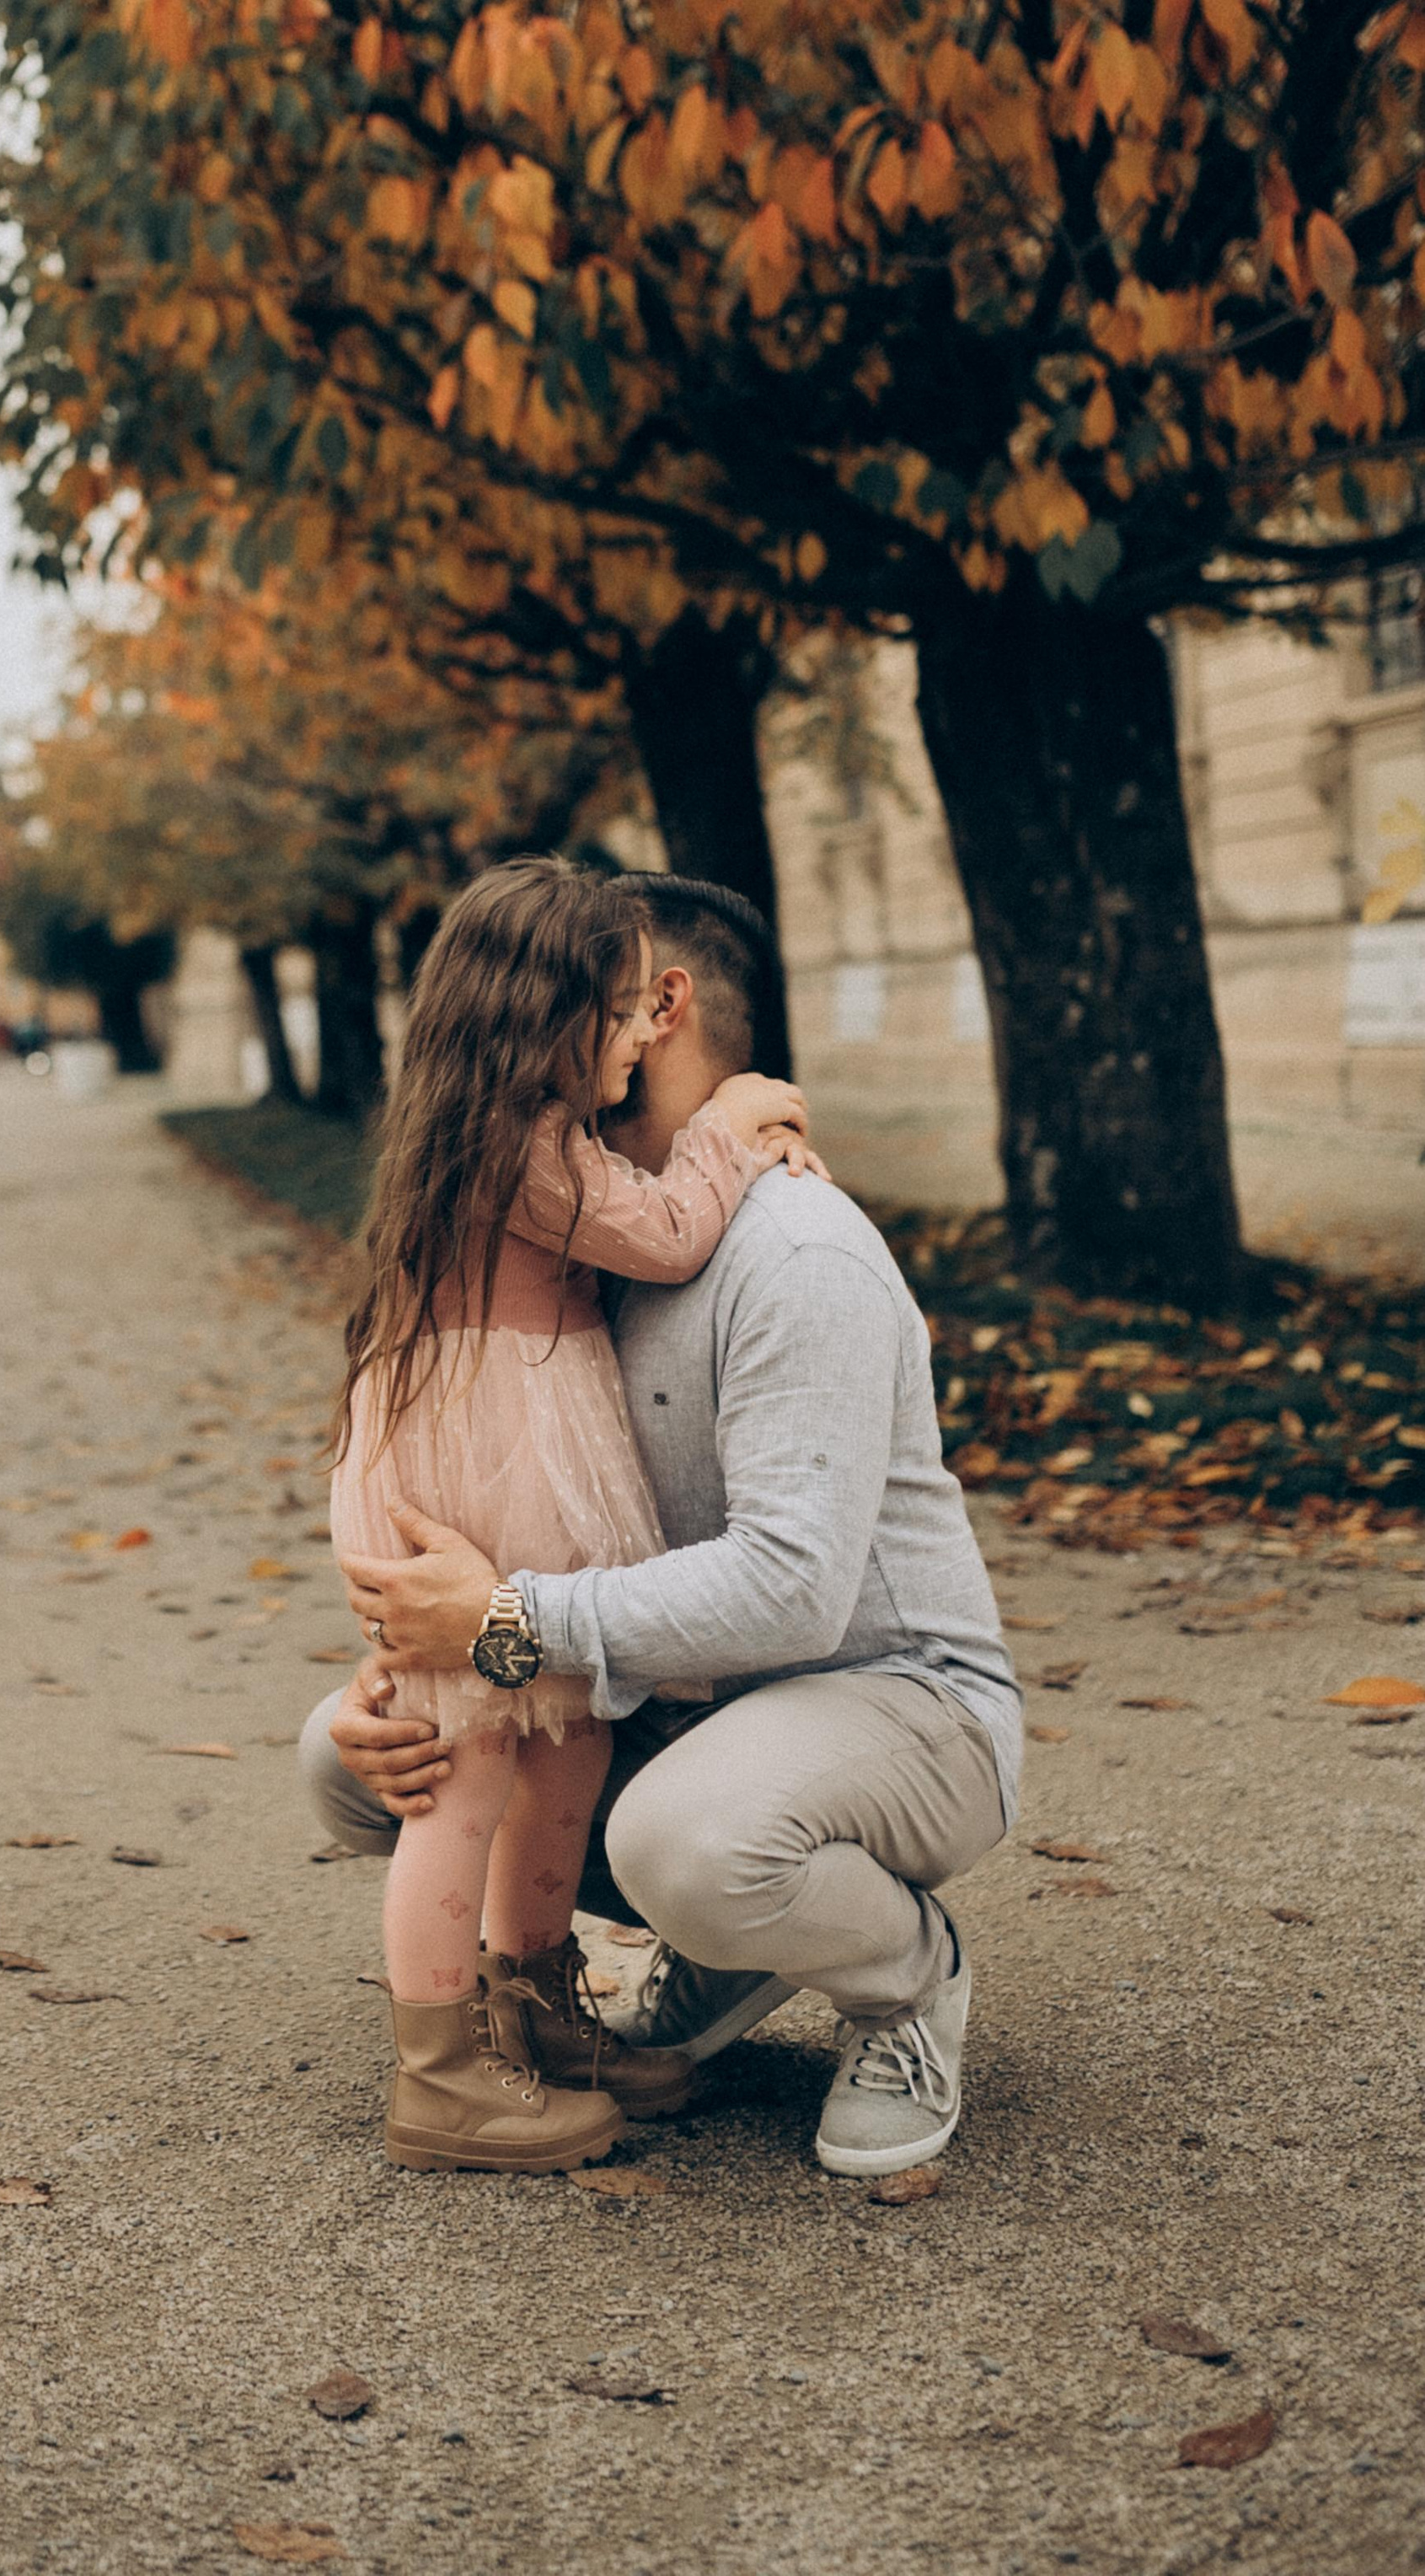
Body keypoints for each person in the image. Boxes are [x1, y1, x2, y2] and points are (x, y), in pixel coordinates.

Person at [313, 872, 1021, 2182]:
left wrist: (506, 1625)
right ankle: (641, 1976)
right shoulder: (586, 1220)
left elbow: (795, 1595)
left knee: (680, 1836)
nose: (626, 1036)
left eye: (633, 1007)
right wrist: (408, 1656)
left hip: (895, 1703)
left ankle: (907, 1982)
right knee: (363, 1753)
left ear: (663, 1004)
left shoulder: (786, 1250)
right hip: (697, 1700)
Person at [328, 859, 819, 2173]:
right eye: (617, 1013)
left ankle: (532, 2011)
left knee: (564, 1742)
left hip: (510, 1450)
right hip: (503, 1466)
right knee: (475, 1767)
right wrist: (734, 1121)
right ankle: (440, 2076)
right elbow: (665, 1234)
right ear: (540, 1022)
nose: (637, 1035)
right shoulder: (522, 1141)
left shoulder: (498, 1127)